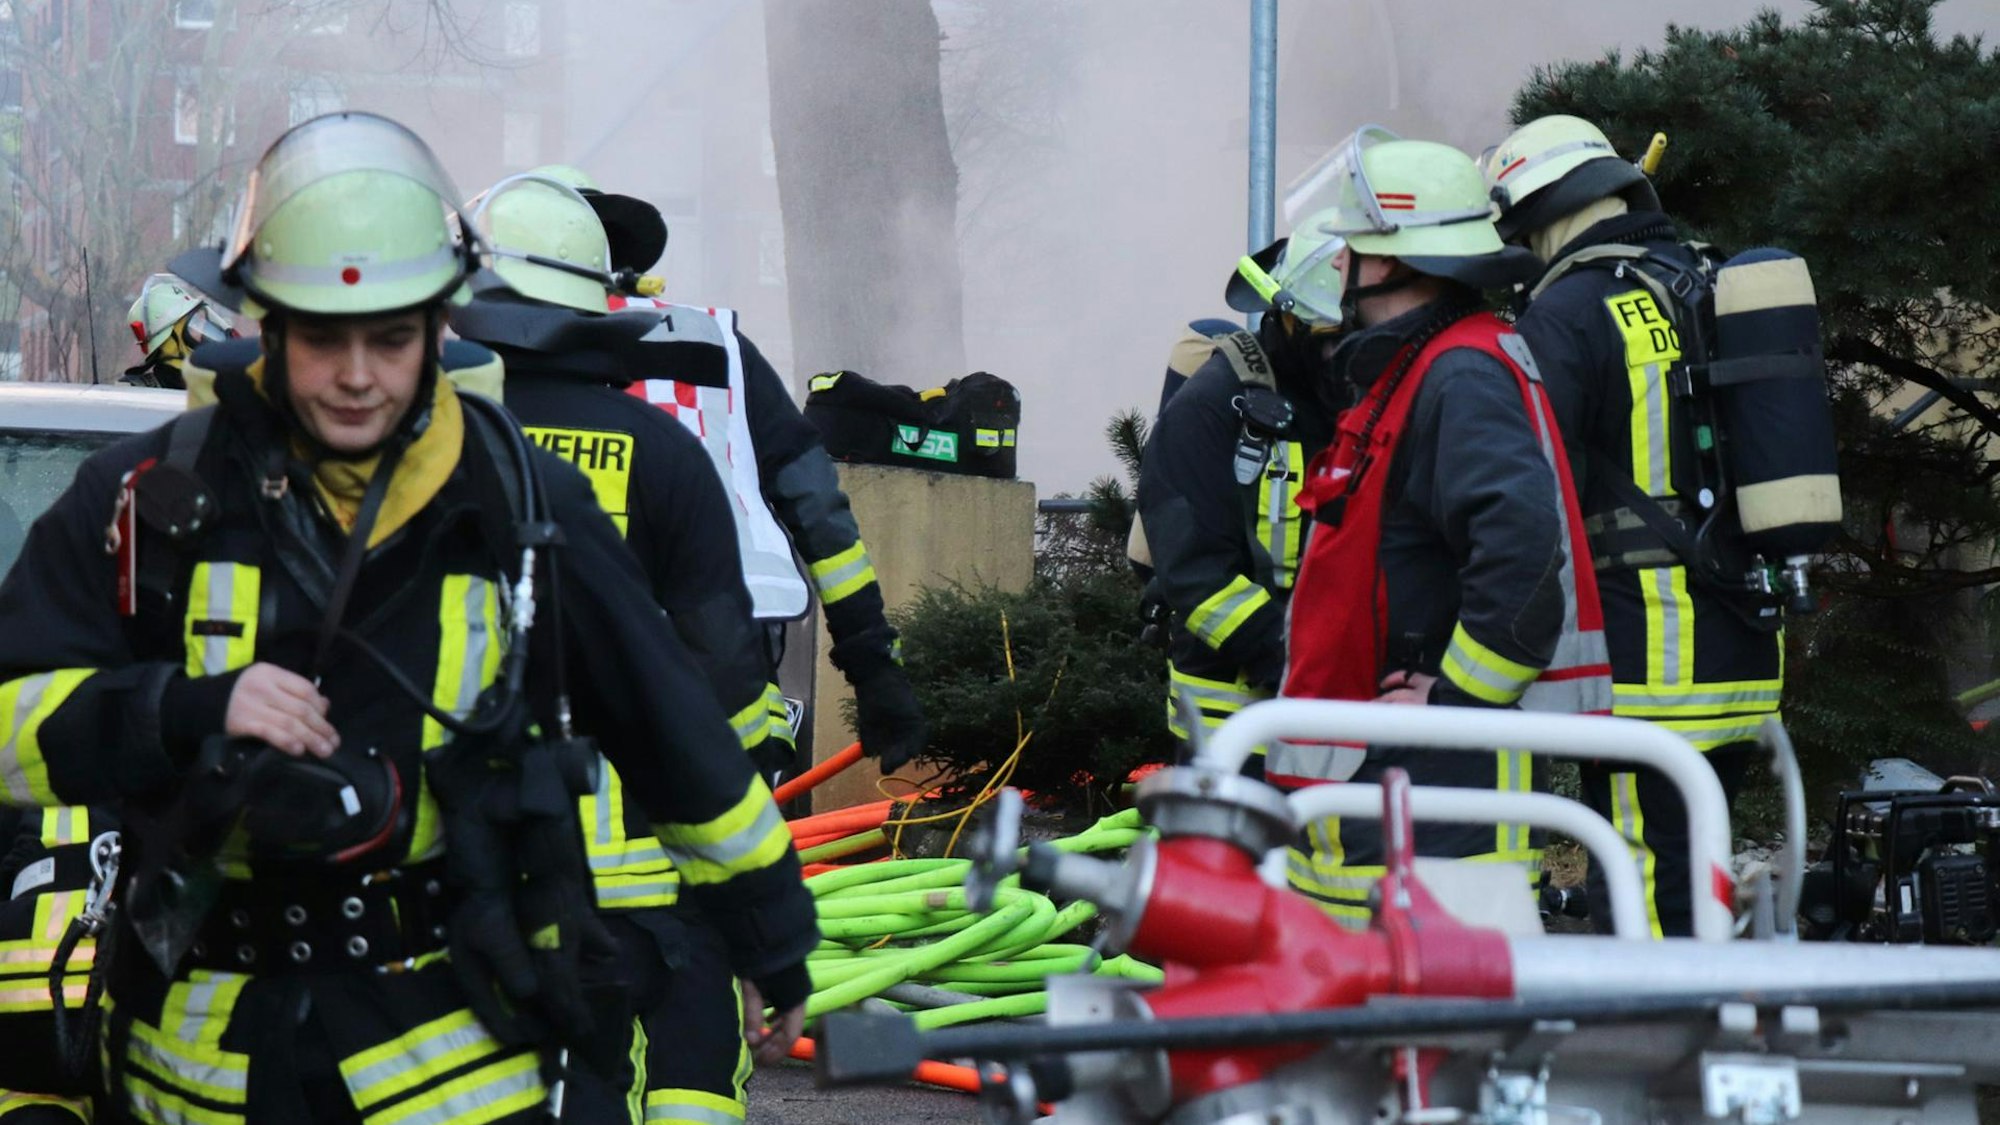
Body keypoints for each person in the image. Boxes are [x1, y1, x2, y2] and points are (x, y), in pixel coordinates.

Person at [0, 112, 816, 1122]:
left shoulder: (524, 509)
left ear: (441, 327)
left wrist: (771, 941)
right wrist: (181, 712)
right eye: (323, 338)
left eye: (389, 338)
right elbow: (13, 714)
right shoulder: (145, 497)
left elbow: (674, 736)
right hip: (194, 1070)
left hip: (448, 1067)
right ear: (268, 322)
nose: (355, 375)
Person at [450, 171, 790, 1125]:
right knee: (684, 1087)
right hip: (656, 881)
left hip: (482, 873)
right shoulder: (666, 453)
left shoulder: (430, 451)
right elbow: (729, 684)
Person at [1265, 128, 1610, 924]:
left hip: (1440, 795)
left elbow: (1522, 562)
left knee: (1436, 1032)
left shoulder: (1460, 373)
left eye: (1351, 249)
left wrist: (1456, 703)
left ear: (1387, 260)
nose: (1340, 266)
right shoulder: (1424, 364)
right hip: (1392, 776)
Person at [1485, 114, 1786, 936]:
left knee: (1647, 892)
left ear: (1539, 212)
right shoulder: (1701, 279)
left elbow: (1534, 494)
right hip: (1740, 643)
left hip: (1645, 665)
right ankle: (1714, 1036)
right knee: (1700, 878)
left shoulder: (1569, 311)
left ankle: (1668, 1055)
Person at [532, 165, 928, 785]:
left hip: (536, 690)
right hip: (723, 691)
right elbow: (818, 511)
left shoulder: (472, 361)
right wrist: (875, 665)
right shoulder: (715, 346)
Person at [1134, 244, 1344, 762]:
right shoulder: (1213, 407)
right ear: (1291, 321)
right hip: (1230, 729)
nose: (1349, 352)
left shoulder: (1346, 397)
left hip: (1334, 707)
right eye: (1334, 339)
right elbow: (1195, 573)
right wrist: (1287, 660)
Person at [120, 273, 236, 390]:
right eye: (194, 324)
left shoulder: (218, 382)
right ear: (170, 345)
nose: (204, 328)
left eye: (203, 321)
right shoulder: (144, 396)